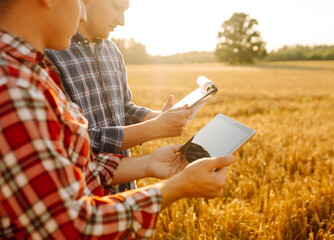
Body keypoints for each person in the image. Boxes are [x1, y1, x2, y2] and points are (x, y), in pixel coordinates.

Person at [0, 0, 235, 238]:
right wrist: (176, 187)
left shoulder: (31, 72)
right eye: (79, 1)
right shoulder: (15, 87)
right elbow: (71, 227)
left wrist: (147, 163)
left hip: (115, 200)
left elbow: (76, 161)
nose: (81, 14)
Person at [45, 0, 192, 191]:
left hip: (125, 187)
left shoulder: (112, 51)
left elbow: (123, 108)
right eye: (117, 7)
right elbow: (75, 143)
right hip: (86, 193)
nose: (122, 21)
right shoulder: (50, 55)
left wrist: (159, 117)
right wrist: (153, 128)